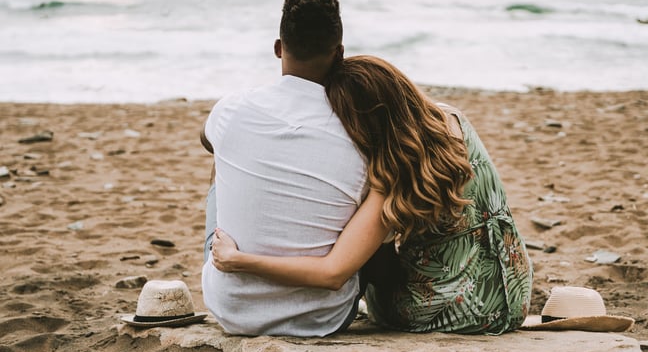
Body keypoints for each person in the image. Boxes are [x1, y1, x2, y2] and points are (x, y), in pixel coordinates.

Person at [211, 55, 533, 334]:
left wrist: (239, 260)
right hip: (510, 287)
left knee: (362, 247)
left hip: (459, 308)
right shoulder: (450, 120)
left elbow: (334, 273)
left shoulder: (393, 175)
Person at [200, 0, 369, 336]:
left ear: (279, 48)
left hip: (233, 310)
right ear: (339, 53)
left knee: (223, 157)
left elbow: (207, 139)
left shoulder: (233, 109)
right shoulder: (359, 128)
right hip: (324, 316)